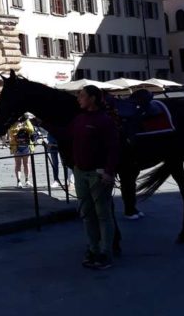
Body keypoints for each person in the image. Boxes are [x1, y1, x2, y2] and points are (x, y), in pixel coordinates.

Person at [71, 85, 119, 270]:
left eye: (82, 96)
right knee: (87, 214)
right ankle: (93, 249)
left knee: (103, 215)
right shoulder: (79, 119)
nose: (79, 99)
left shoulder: (104, 120)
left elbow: (113, 148)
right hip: (80, 172)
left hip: (97, 174)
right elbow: (67, 134)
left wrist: (109, 171)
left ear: (92, 98)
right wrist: (43, 122)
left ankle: (106, 252)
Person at [7, 115, 34, 188]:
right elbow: (11, 131)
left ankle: (27, 180)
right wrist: (18, 127)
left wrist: (23, 126)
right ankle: (19, 181)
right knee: (18, 164)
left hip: (26, 146)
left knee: (26, 163)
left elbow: (31, 130)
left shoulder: (26, 120)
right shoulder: (13, 121)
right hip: (16, 146)